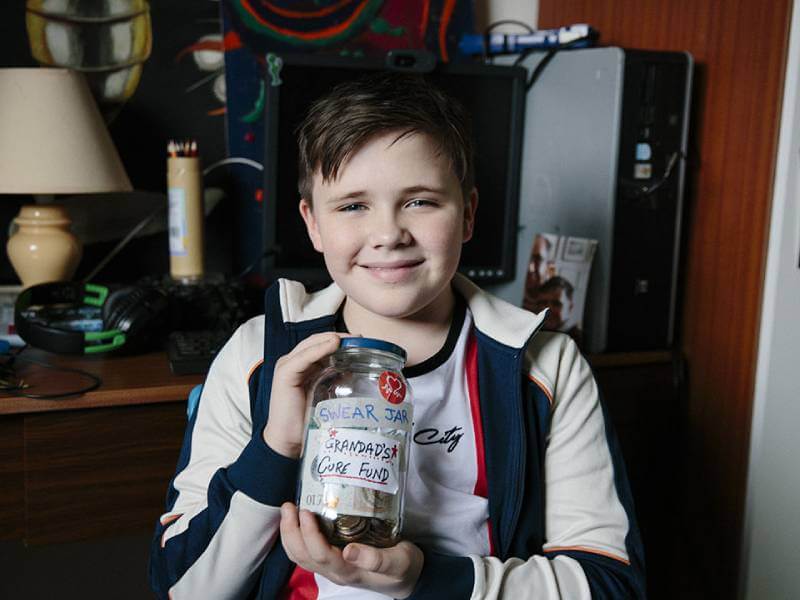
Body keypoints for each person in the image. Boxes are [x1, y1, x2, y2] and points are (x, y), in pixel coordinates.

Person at [148, 72, 645, 599]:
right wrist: (277, 447)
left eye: (421, 201)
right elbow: (185, 589)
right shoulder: (258, 356)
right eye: (352, 206)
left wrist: (425, 580)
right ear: (313, 223)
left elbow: (610, 584)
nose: (388, 234)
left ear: (469, 213)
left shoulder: (545, 368)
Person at [531, 275, 584, 345]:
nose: (547, 309)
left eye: (556, 304)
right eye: (543, 303)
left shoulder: (577, 339)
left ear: (570, 307)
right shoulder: (533, 332)